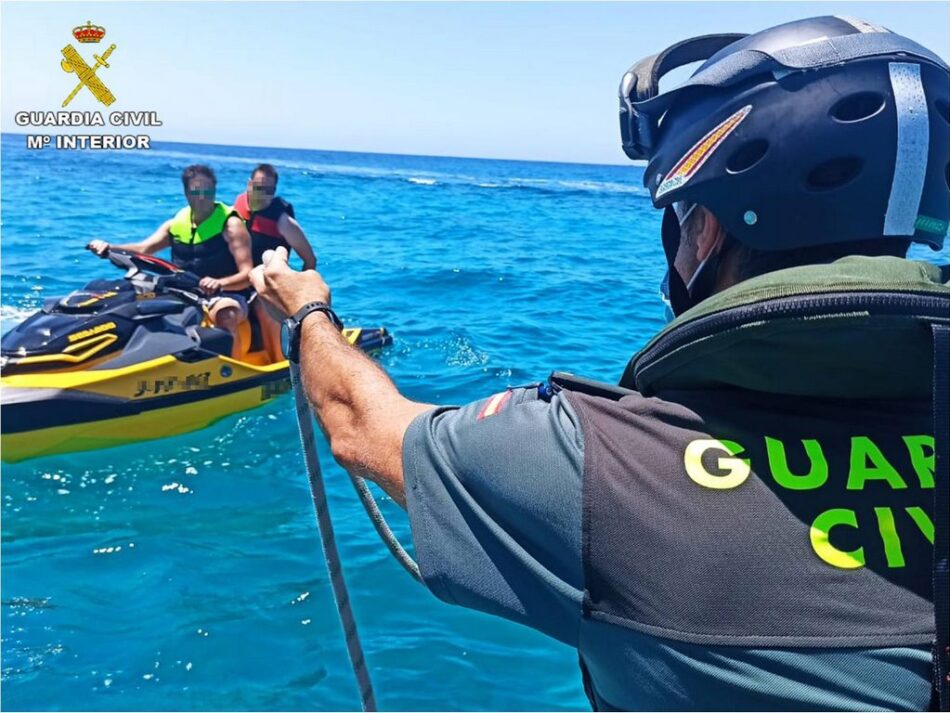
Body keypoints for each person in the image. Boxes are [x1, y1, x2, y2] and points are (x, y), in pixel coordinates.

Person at [251, 17, 949, 711]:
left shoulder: (601, 464)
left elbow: (359, 424)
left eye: (682, 219)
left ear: (706, 230)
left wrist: (308, 309)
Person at [89, 164, 253, 358]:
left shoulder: (231, 225)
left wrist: (219, 283)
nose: (202, 197)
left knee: (226, 313)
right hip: (183, 292)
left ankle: (232, 368)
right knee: (128, 302)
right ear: (186, 193)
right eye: (196, 191)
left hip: (226, 293)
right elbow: (143, 249)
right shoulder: (175, 225)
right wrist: (109, 248)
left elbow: (247, 275)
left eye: (208, 191)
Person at [234, 163, 317, 361]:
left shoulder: (283, 222)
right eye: (258, 187)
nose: (262, 194)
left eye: (268, 190)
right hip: (241, 278)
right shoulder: (237, 207)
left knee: (264, 308)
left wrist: (298, 298)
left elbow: (310, 260)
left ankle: (280, 363)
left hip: (267, 284)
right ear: (249, 184)